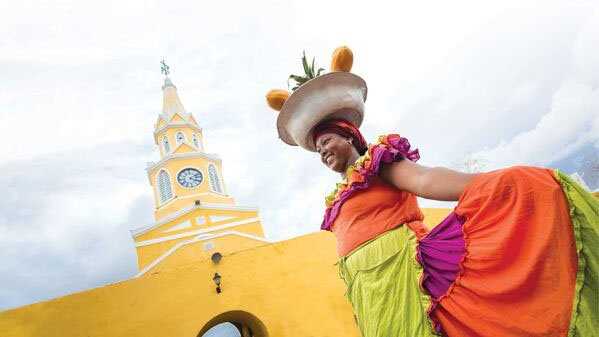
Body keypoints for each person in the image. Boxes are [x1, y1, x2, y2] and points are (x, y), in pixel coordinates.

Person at [266, 47, 599, 337]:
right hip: (370, 293)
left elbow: (425, 181)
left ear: (350, 136)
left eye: (326, 141)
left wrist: (488, 185)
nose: (322, 151)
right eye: (317, 148)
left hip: (405, 275)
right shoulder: (339, 197)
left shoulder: (377, 164)